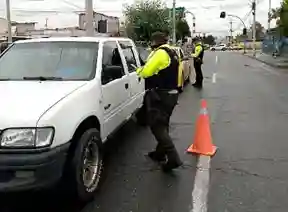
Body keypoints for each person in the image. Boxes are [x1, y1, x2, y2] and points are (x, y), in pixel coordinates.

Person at [136, 31, 183, 172]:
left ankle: (173, 158)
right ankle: (159, 154)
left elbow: (146, 72)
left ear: (154, 42)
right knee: (163, 123)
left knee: (157, 126)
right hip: (172, 93)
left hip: (161, 95)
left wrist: (139, 70)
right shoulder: (172, 52)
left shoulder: (160, 54)